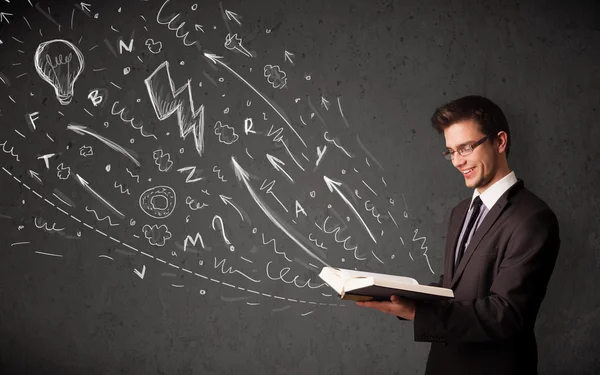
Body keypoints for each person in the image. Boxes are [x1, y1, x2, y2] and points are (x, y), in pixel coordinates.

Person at [356, 95, 560, 375]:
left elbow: (507, 314)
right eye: (450, 151)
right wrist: (402, 297)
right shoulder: (460, 212)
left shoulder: (533, 218)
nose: (457, 162)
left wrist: (420, 314)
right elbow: (457, 288)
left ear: (500, 142)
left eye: (465, 148)